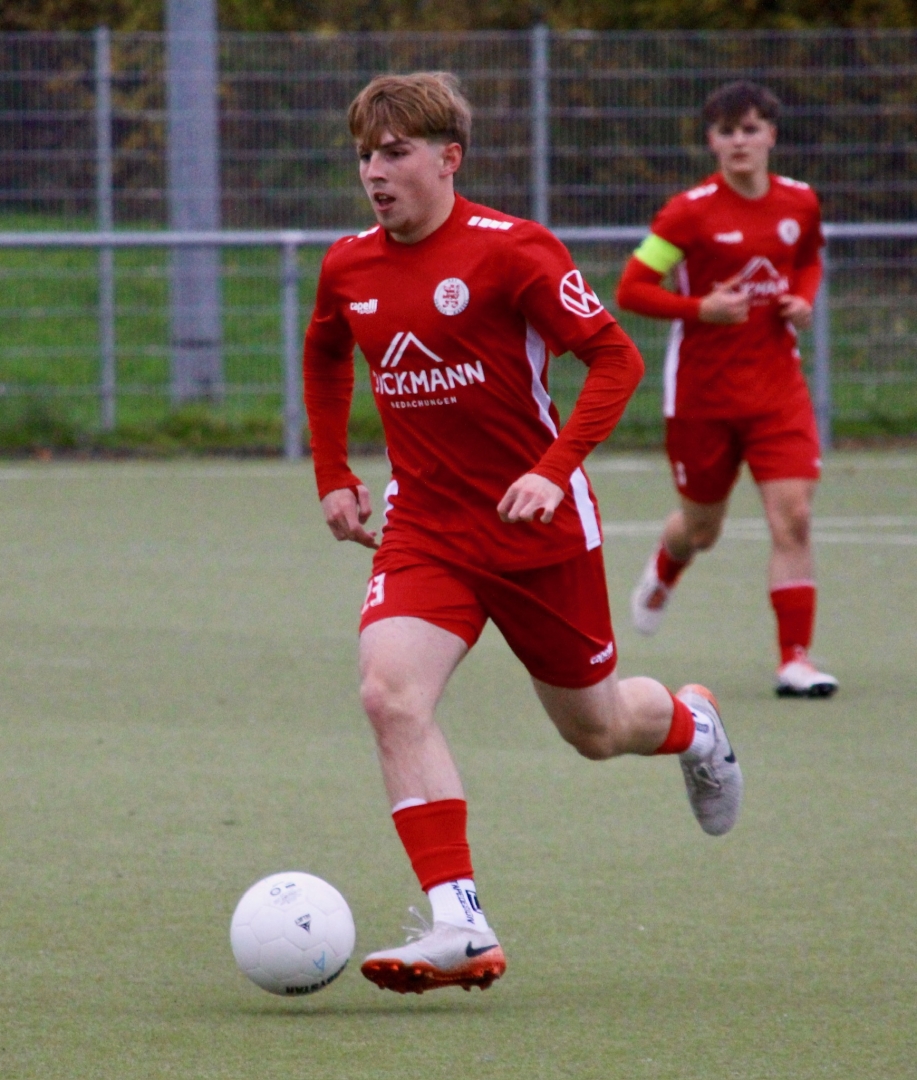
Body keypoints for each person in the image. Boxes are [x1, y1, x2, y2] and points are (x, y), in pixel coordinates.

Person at [303, 71, 743, 997]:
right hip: (426, 529)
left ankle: (693, 725)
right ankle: (459, 920)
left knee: (596, 729)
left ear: (448, 158)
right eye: (364, 156)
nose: (374, 173)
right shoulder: (348, 265)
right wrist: (334, 472)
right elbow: (325, 350)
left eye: (395, 153)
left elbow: (615, 360)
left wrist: (551, 470)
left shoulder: (513, 252)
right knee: (389, 695)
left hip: (536, 532)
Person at [615, 81, 838, 699]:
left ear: (771, 135)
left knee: (794, 518)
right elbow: (632, 289)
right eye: (726, 131)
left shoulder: (800, 202)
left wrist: (803, 300)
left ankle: (795, 660)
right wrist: (699, 308)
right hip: (702, 398)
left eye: (750, 129)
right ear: (712, 141)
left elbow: (810, 260)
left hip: (777, 392)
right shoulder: (687, 213)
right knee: (701, 530)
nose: (739, 141)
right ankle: (667, 566)